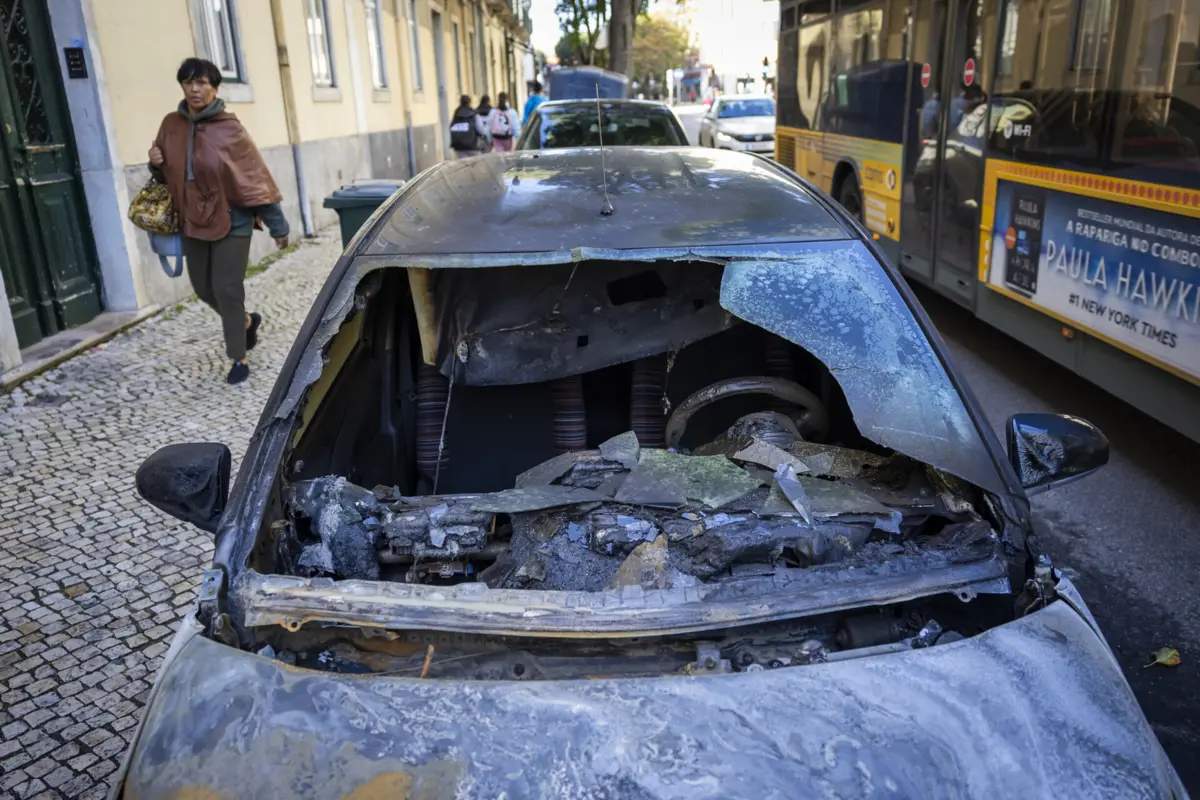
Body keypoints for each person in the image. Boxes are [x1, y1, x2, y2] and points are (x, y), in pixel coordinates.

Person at [149, 58, 288, 385]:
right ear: (182, 85)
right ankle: (246, 322)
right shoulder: (171, 125)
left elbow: (254, 176)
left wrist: (278, 226)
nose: (195, 89)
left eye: (202, 83)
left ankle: (238, 358)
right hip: (191, 219)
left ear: (215, 87)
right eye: (188, 82)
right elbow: (167, 173)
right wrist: (155, 163)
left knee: (227, 288)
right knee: (202, 288)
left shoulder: (230, 129)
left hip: (232, 219)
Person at [449, 95, 480, 159]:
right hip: (472, 145)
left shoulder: (456, 113)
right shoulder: (474, 114)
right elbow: (481, 130)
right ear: (470, 103)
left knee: (464, 166)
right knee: (476, 165)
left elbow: (451, 127)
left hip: (459, 145)